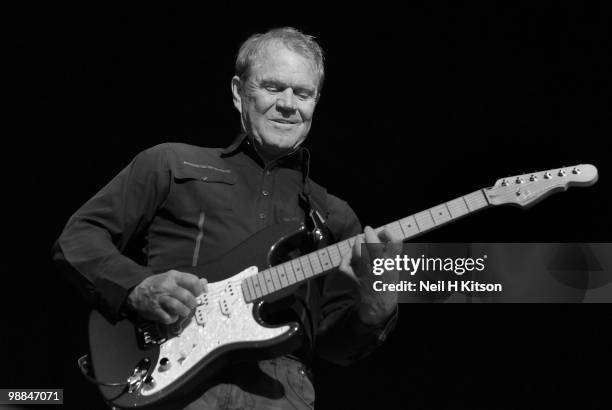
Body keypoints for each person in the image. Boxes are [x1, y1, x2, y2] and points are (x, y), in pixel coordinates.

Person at [53, 27, 401, 409]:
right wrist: (136, 287)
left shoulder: (333, 214)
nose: (289, 104)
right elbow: (78, 238)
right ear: (239, 92)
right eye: (272, 87)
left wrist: (376, 305)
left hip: (280, 391)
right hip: (170, 375)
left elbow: (335, 346)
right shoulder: (171, 163)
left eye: (303, 93)